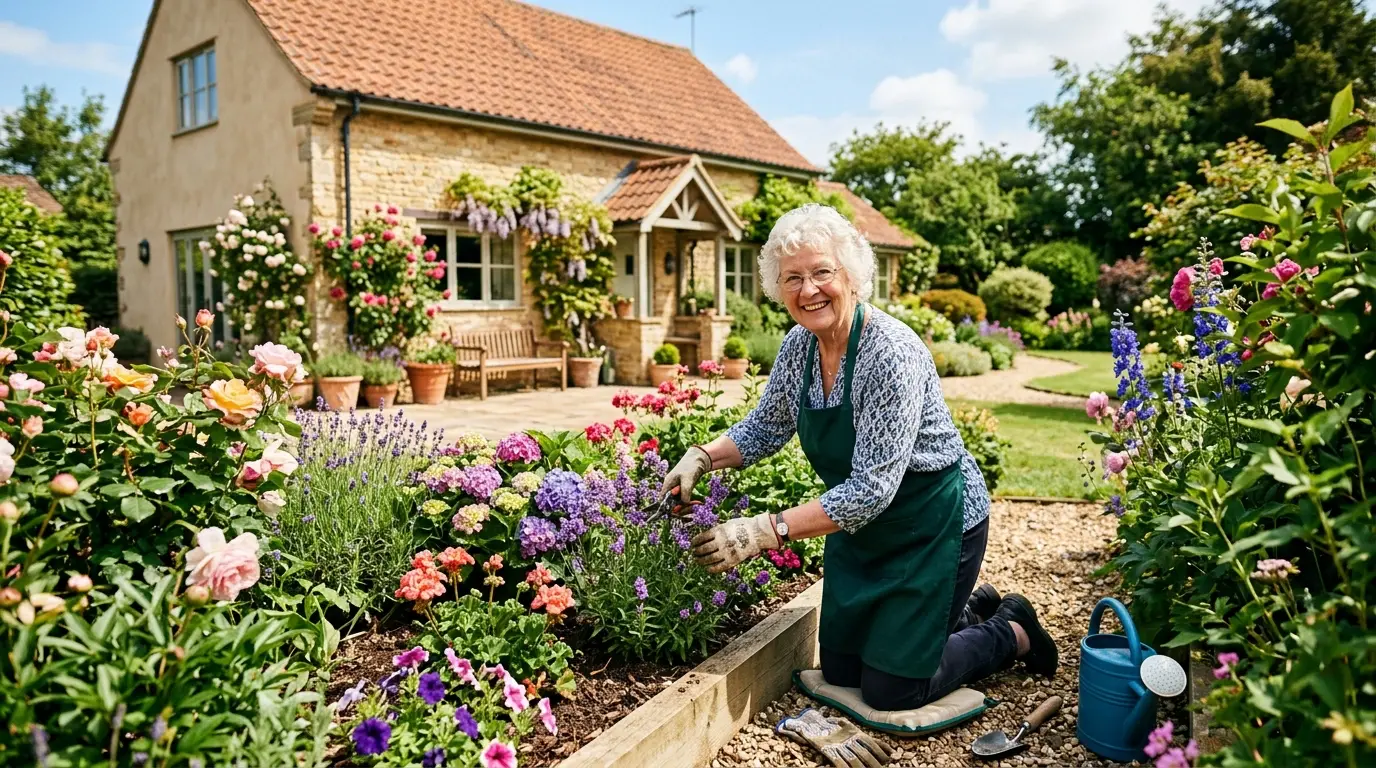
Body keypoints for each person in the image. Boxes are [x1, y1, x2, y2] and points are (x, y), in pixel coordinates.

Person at [661, 204, 1058, 713]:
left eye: (822, 272)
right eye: (792, 278)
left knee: (893, 690)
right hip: (862, 527)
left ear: (851, 275)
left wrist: (761, 532)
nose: (809, 290)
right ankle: (972, 607)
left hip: (932, 524)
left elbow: (872, 488)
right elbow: (767, 425)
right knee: (843, 671)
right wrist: (701, 457)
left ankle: (1011, 630)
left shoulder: (889, 352)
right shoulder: (799, 347)